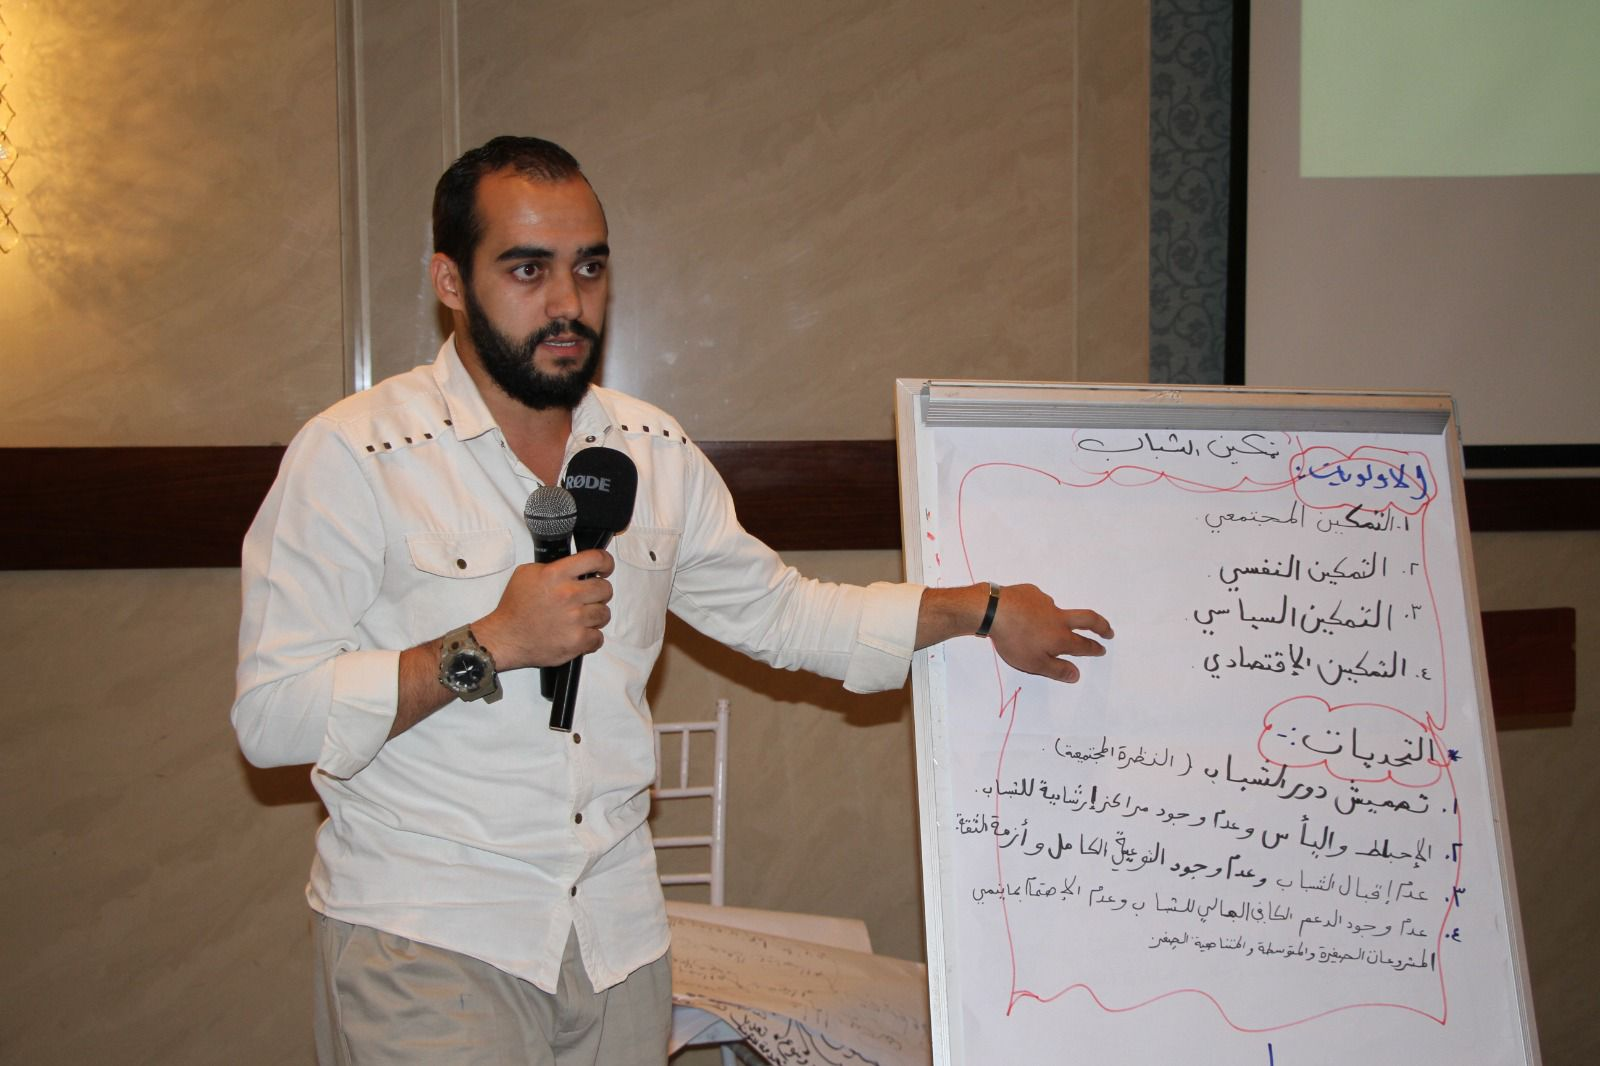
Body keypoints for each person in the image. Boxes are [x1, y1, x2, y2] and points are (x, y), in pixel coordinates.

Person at [232, 135, 1113, 1066]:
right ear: (450, 280)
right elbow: (272, 716)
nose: (568, 303)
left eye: (589, 268)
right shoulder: (356, 454)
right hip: (430, 939)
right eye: (528, 270)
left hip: (619, 944)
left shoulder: (649, 449)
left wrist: (977, 608)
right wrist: (491, 643)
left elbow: (783, 613)